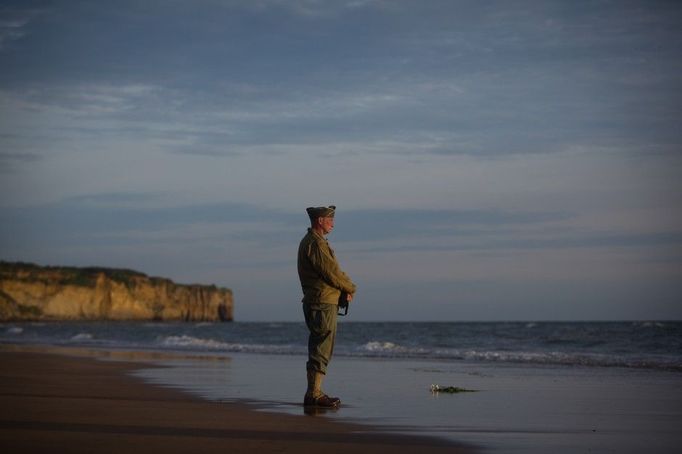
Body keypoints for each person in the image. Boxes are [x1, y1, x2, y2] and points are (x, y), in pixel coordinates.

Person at [297, 205, 356, 408]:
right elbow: (331, 272)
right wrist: (351, 287)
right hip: (321, 302)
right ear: (319, 220)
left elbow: (331, 273)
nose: (333, 223)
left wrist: (343, 290)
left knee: (321, 345)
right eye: (329, 219)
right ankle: (314, 393)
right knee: (321, 347)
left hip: (322, 301)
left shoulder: (316, 242)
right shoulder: (315, 243)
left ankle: (314, 392)